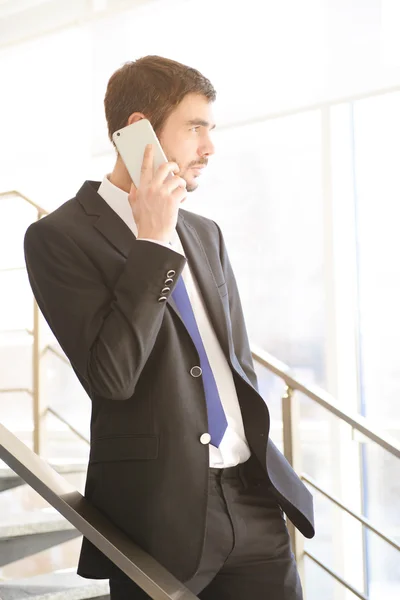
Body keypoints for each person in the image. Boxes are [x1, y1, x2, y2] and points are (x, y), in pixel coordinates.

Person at [24, 56, 314, 600]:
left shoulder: (207, 234)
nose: (209, 147)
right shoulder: (57, 237)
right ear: (139, 131)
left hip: (253, 501)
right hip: (158, 517)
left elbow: (236, 363)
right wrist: (154, 244)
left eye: (211, 128)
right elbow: (111, 377)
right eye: (195, 127)